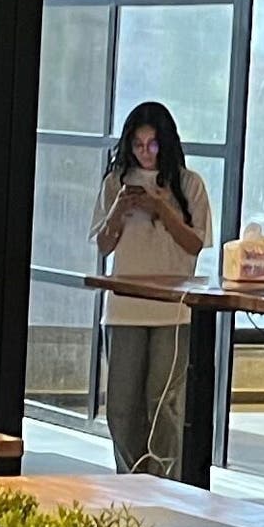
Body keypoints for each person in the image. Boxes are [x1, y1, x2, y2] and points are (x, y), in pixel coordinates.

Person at [91, 100, 214, 477]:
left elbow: (195, 244)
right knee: (123, 407)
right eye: (139, 145)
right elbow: (103, 244)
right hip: (125, 308)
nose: (145, 153)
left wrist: (163, 208)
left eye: (153, 145)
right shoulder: (115, 183)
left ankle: (164, 482)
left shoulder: (189, 184)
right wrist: (118, 211)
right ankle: (130, 479)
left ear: (167, 144)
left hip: (172, 311)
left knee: (164, 404)